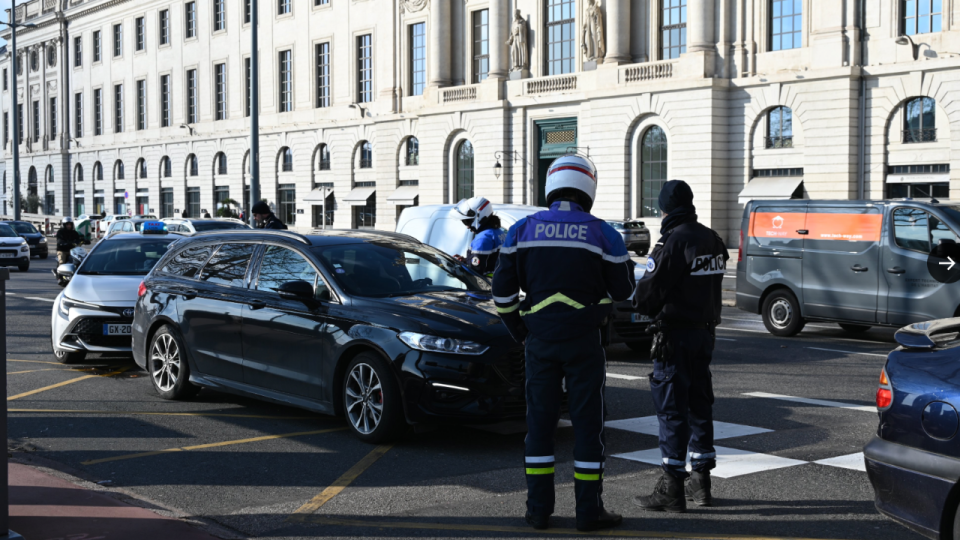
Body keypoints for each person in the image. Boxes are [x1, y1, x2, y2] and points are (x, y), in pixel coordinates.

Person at [492, 155, 635, 532]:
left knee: (539, 426)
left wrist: (520, 331)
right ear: (588, 186)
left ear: (551, 186)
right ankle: (589, 512)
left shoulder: (521, 230)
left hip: (539, 340)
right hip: (584, 342)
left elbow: (502, 294)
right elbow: (624, 290)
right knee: (588, 427)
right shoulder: (603, 232)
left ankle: (539, 510)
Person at [632, 180, 728, 513]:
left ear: (665, 208)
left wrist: (639, 298)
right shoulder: (711, 238)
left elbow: (646, 296)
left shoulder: (674, 241)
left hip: (675, 336)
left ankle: (671, 487)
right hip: (705, 334)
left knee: (672, 409)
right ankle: (701, 483)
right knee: (700, 405)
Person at [452, 196, 505, 277]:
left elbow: (475, 272)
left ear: (479, 217)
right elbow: (489, 260)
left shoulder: (482, 238)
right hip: (498, 283)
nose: (467, 226)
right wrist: (467, 260)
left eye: (467, 221)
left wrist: (455, 271)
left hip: (487, 286)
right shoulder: (498, 232)